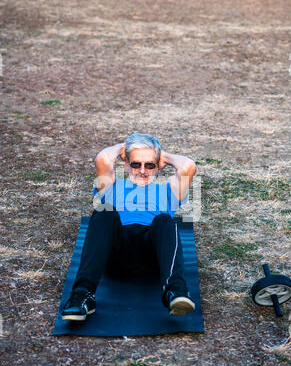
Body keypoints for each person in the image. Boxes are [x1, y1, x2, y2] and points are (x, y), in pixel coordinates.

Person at [62, 133, 197, 321]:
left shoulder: (168, 191)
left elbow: (188, 166)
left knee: (165, 220)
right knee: (104, 212)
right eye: (136, 164)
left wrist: (160, 156)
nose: (142, 170)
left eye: (149, 165)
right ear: (126, 164)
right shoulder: (111, 185)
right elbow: (102, 158)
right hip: (116, 252)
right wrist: (125, 148)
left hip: (153, 255)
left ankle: (175, 292)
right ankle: (82, 295)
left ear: (157, 166)